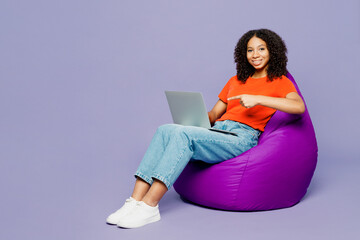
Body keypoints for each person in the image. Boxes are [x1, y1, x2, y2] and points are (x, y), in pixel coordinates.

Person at [106, 29, 305, 228]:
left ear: (272, 51)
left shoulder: (280, 81)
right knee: (165, 129)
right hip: (218, 130)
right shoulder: (236, 80)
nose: (255, 55)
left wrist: (258, 99)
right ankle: (134, 201)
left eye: (261, 49)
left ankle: (150, 206)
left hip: (241, 136)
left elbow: (299, 107)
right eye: (250, 50)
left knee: (183, 136)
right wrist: (195, 116)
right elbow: (214, 114)